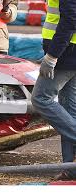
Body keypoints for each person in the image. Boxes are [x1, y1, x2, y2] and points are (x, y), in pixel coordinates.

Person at [31, 0, 76, 180]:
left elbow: (70, 18)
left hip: (66, 53)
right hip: (71, 51)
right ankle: (70, 169)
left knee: (41, 98)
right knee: (68, 111)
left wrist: (52, 56)